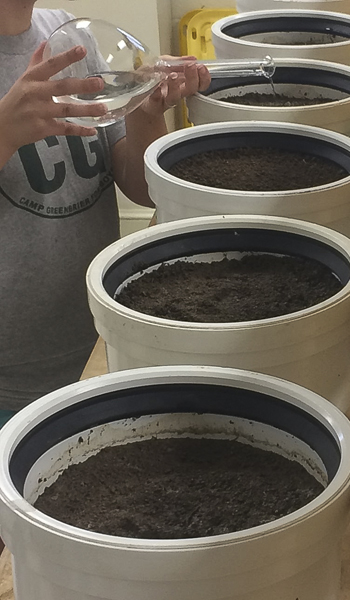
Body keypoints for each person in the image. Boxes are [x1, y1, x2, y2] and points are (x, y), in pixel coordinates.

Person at [0, 3, 211, 416]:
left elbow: (139, 185)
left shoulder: (69, 36)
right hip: (11, 387)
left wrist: (146, 111)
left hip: (104, 342)